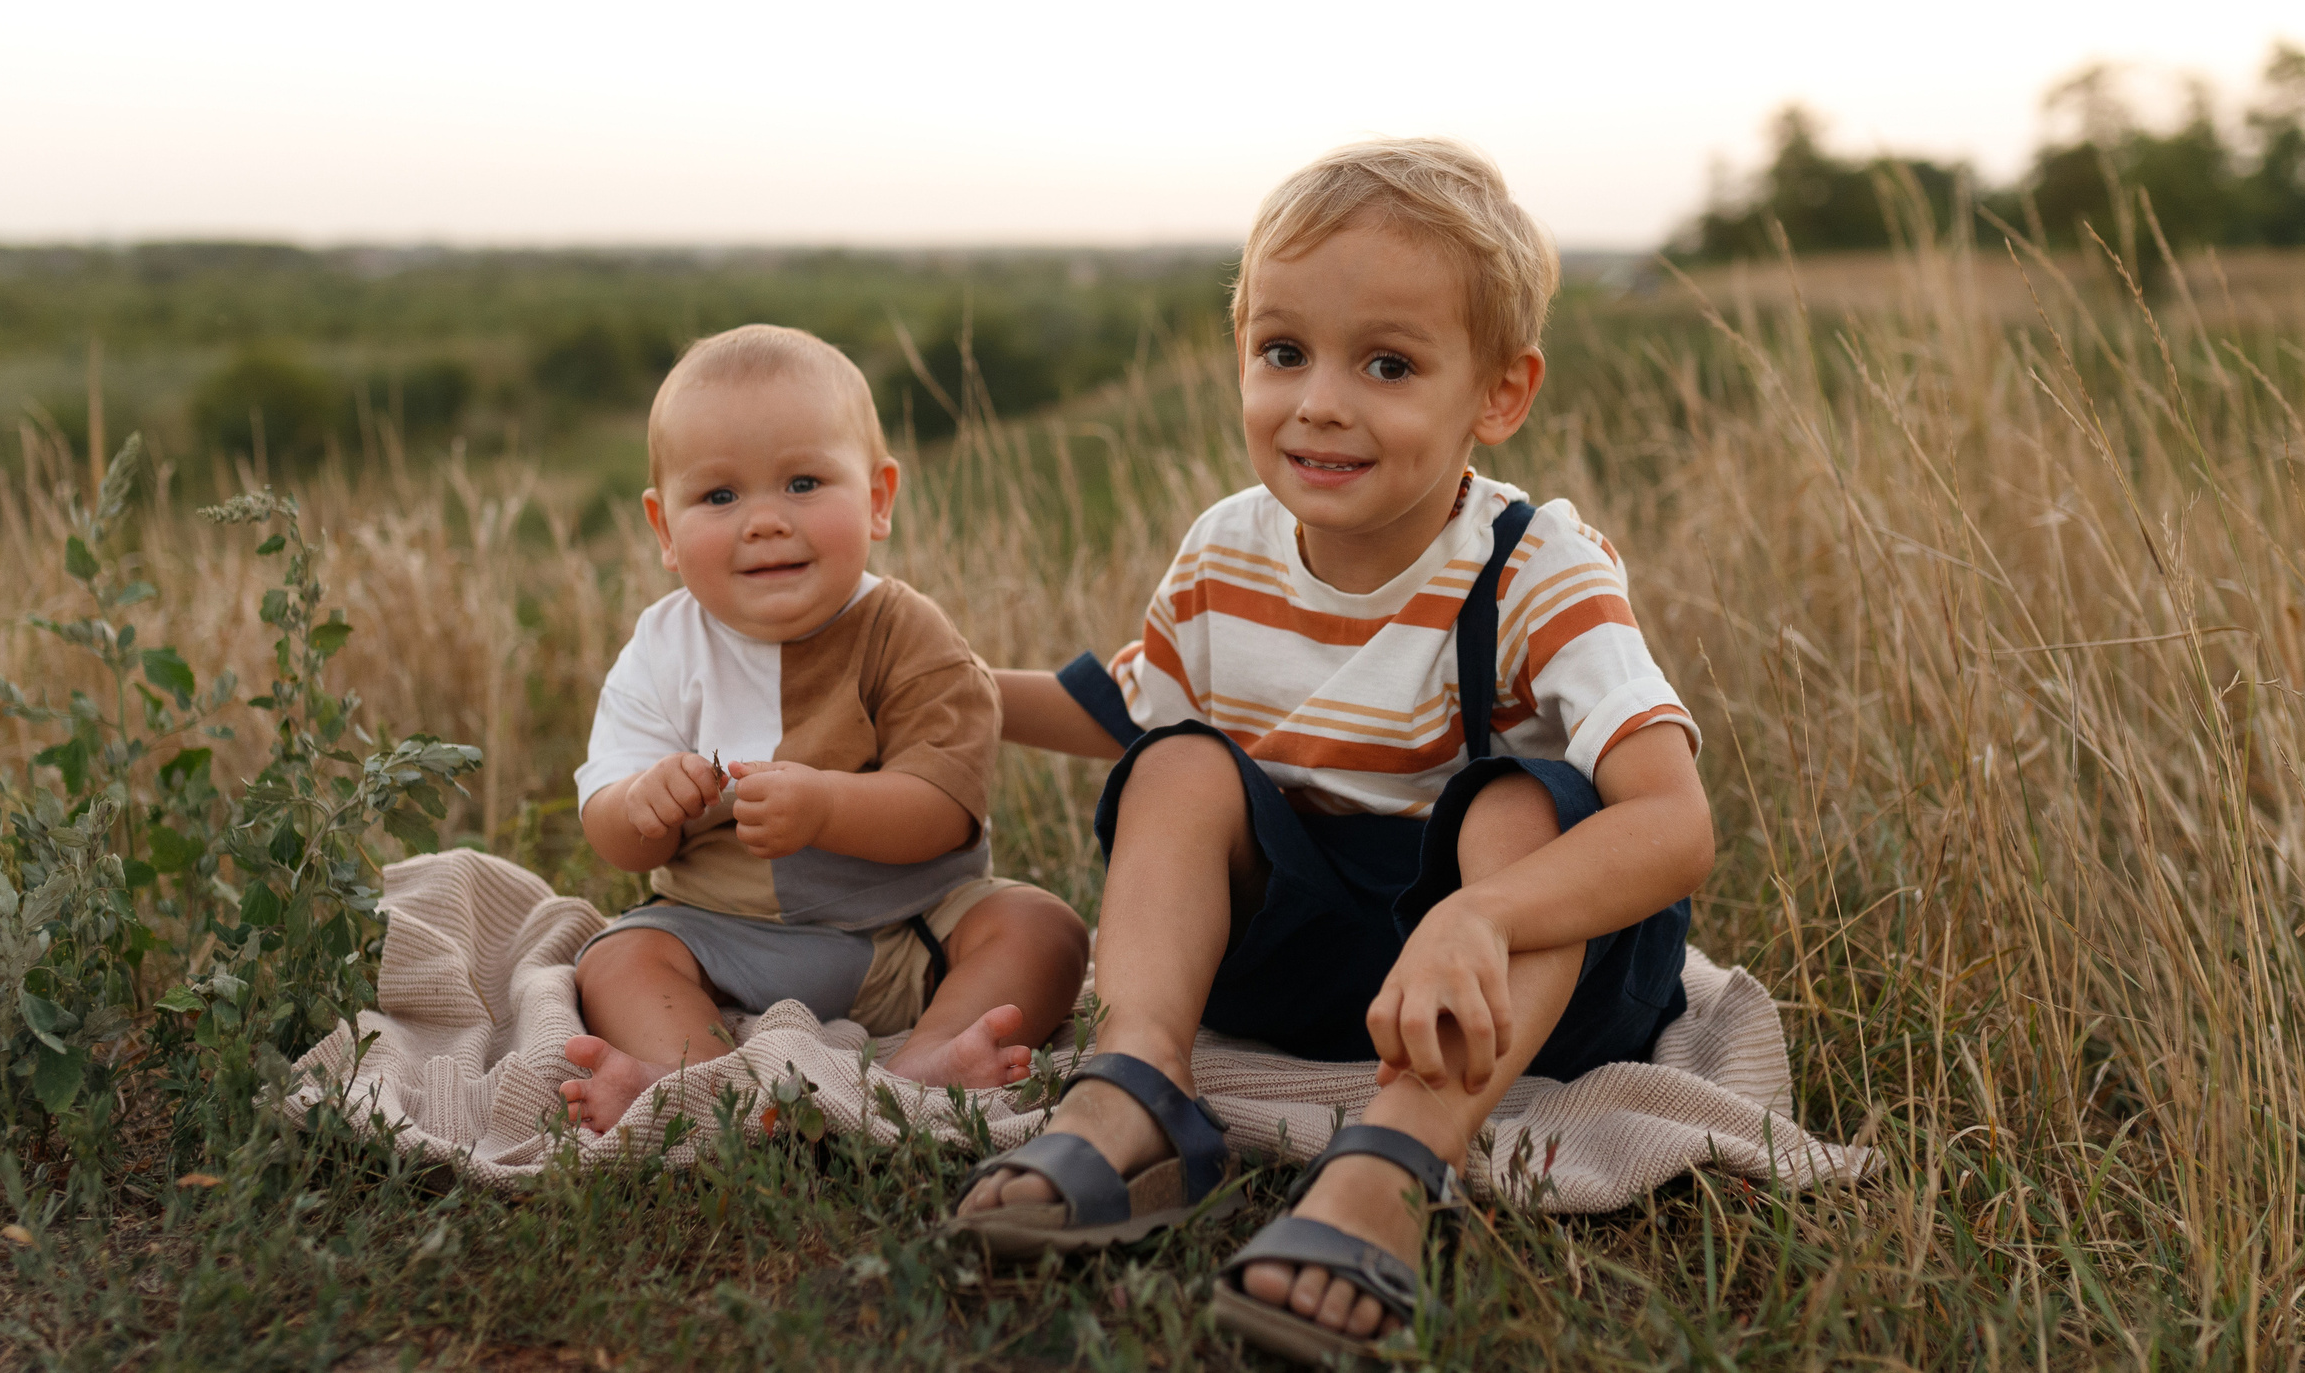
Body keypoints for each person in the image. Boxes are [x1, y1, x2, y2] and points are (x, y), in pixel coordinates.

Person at [945, 140, 1715, 1364]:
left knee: (1522, 798)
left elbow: (1672, 827)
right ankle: (1142, 1082)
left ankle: (1399, 1160)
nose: (1318, 402)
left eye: (1389, 365)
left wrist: (1487, 918)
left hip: (1500, 982)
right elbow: (1131, 710)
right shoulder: (1228, 551)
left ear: (1499, 395)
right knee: (1183, 765)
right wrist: (950, 693)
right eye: (1282, 352)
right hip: (1304, 963)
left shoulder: (1536, 565)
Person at [560, 325, 1090, 1131]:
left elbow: (946, 804)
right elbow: (609, 823)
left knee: (1041, 929)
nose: (765, 521)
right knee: (618, 958)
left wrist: (826, 808)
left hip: (909, 932)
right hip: (723, 937)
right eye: (720, 496)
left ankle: (930, 1056)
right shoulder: (663, 649)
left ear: (878, 498)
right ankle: (702, 1079)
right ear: (663, 529)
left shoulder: (906, 632)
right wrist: (641, 804)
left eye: (804, 483)